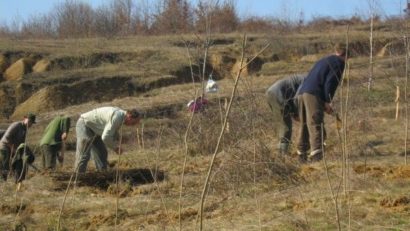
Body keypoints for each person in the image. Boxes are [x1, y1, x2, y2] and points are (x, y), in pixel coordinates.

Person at [296, 43, 348, 163]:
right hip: (313, 94)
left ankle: (301, 155)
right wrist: (327, 101)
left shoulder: (323, 60)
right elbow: (331, 82)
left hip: (301, 93)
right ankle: (316, 157)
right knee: (315, 124)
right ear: (345, 56)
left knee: (304, 124)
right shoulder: (339, 63)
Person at [74, 107, 141, 173]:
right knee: (84, 154)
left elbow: (110, 129)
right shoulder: (117, 117)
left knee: (101, 152)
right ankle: (77, 178)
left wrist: (118, 137)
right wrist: (115, 148)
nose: (132, 125)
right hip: (85, 125)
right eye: (133, 123)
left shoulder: (121, 116)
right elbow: (106, 137)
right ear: (129, 117)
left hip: (96, 129)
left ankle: (102, 174)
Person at [266, 74, 305, 155]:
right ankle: (283, 155)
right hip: (278, 94)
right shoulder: (307, 81)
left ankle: (281, 152)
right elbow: (297, 97)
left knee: (282, 125)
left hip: (270, 92)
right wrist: (296, 113)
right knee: (285, 127)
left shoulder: (303, 78)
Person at [0, 112, 36, 181]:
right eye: (30, 121)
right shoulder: (16, 125)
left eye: (32, 123)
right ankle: (2, 182)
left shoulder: (25, 129)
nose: (30, 124)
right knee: (5, 166)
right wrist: (14, 150)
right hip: (4, 146)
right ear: (25, 119)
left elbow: (22, 143)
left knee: (19, 162)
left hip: (13, 149)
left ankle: (18, 180)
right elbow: (7, 139)